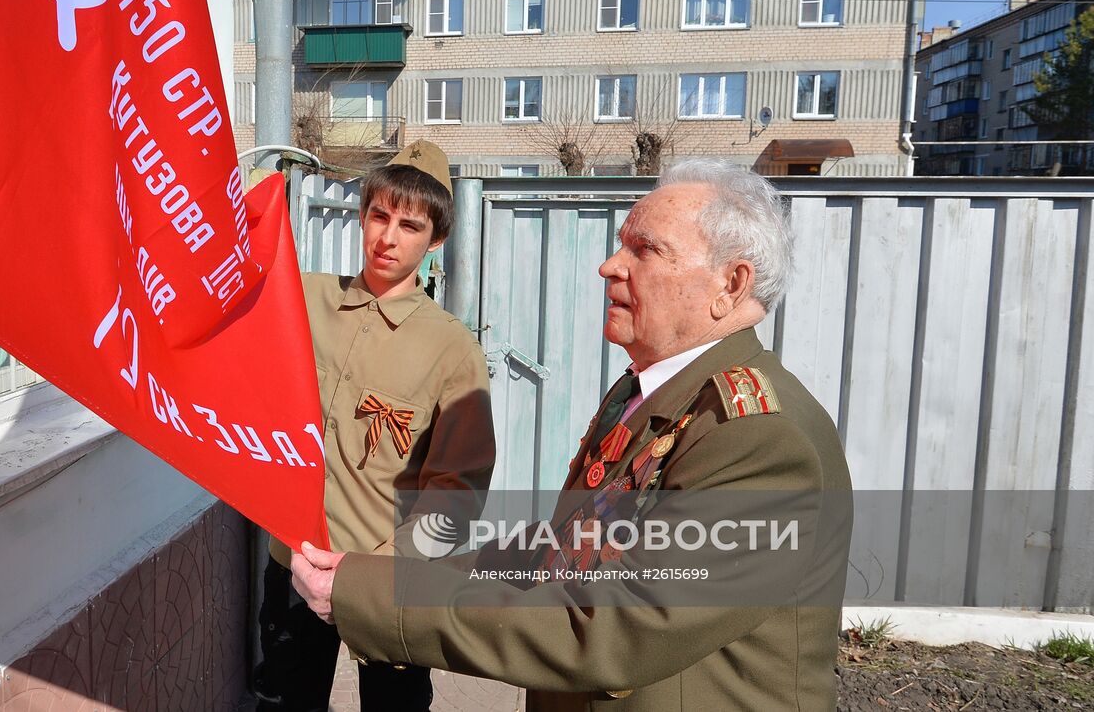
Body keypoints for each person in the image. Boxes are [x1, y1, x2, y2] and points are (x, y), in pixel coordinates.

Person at [291, 157, 853, 711]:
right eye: (621, 244)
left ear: (730, 284)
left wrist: (379, 595)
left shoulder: (760, 439)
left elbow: (610, 627)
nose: (609, 266)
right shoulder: (649, 391)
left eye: (645, 250)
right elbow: (565, 550)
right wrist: (391, 576)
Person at [253, 140, 495, 712]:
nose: (388, 238)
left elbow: (458, 492)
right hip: (294, 564)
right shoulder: (304, 298)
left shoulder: (453, 351)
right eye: (380, 216)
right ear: (361, 216)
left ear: (436, 239)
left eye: (410, 226)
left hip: (390, 584)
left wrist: (376, 572)